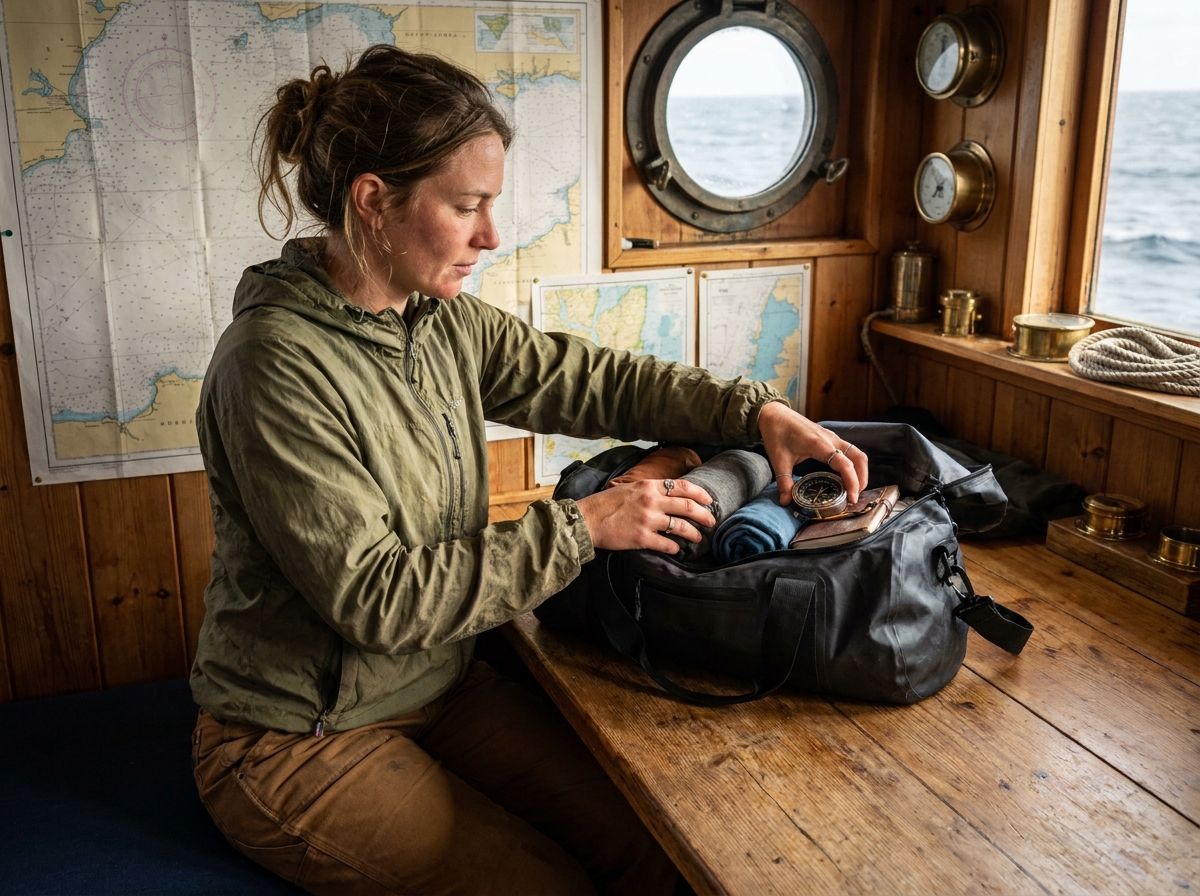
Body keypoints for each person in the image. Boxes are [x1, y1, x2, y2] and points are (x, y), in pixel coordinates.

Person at [189, 45, 868, 896]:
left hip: (439, 685)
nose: (490, 236)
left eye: (492, 205)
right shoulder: (274, 366)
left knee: (655, 848)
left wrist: (754, 411)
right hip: (297, 738)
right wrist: (586, 523)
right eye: (467, 205)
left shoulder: (439, 320)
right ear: (373, 201)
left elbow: (590, 379)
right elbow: (377, 599)